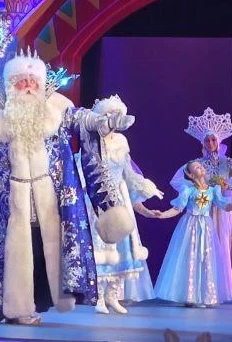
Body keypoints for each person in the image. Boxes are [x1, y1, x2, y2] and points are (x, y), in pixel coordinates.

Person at [0, 49, 136, 325]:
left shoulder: (55, 109)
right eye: (22, 82)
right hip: (7, 202)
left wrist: (106, 121)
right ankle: (17, 309)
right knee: (12, 253)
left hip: (45, 201)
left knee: (40, 253)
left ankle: (28, 306)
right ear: (10, 85)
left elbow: (82, 119)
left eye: (33, 82)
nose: (28, 87)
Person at [85, 95, 163, 314]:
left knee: (122, 247)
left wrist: (146, 187)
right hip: (98, 198)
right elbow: (84, 170)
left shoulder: (121, 141)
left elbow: (128, 172)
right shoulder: (90, 142)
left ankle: (112, 295)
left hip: (119, 198)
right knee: (102, 247)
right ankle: (99, 297)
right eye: (110, 116)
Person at [170, 107, 232, 300]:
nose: (210, 143)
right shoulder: (197, 164)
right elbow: (187, 183)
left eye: (213, 140)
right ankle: (203, 287)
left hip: (223, 210)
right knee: (205, 246)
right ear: (203, 142)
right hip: (206, 208)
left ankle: (225, 287)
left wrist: (226, 186)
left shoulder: (229, 163)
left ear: (219, 141)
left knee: (223, 244)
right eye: (207, 140)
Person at [141, 161, 232, 307]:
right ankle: (190, 295)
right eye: (196, 167)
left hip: (206, 226)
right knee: (191, 257)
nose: (201, 167)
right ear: (191, 175)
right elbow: (177, 208)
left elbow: (225, 205)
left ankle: (206, 296)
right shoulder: (188, 190)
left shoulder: (213, 190)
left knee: (206, 257)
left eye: (201, 166)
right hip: (191, 226)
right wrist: (162, 215)